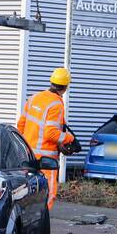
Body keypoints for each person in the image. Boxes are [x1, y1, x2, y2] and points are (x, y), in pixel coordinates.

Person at [17, 67, 76, 209]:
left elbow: (21, 125)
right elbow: (51, 133)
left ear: (51, 82)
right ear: (66, 87)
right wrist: (69, 138)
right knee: (48, 194)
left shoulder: (34, 98)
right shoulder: (56, 104)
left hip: (27, 157)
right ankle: (41, 224)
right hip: (45, 161)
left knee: (27, 193)